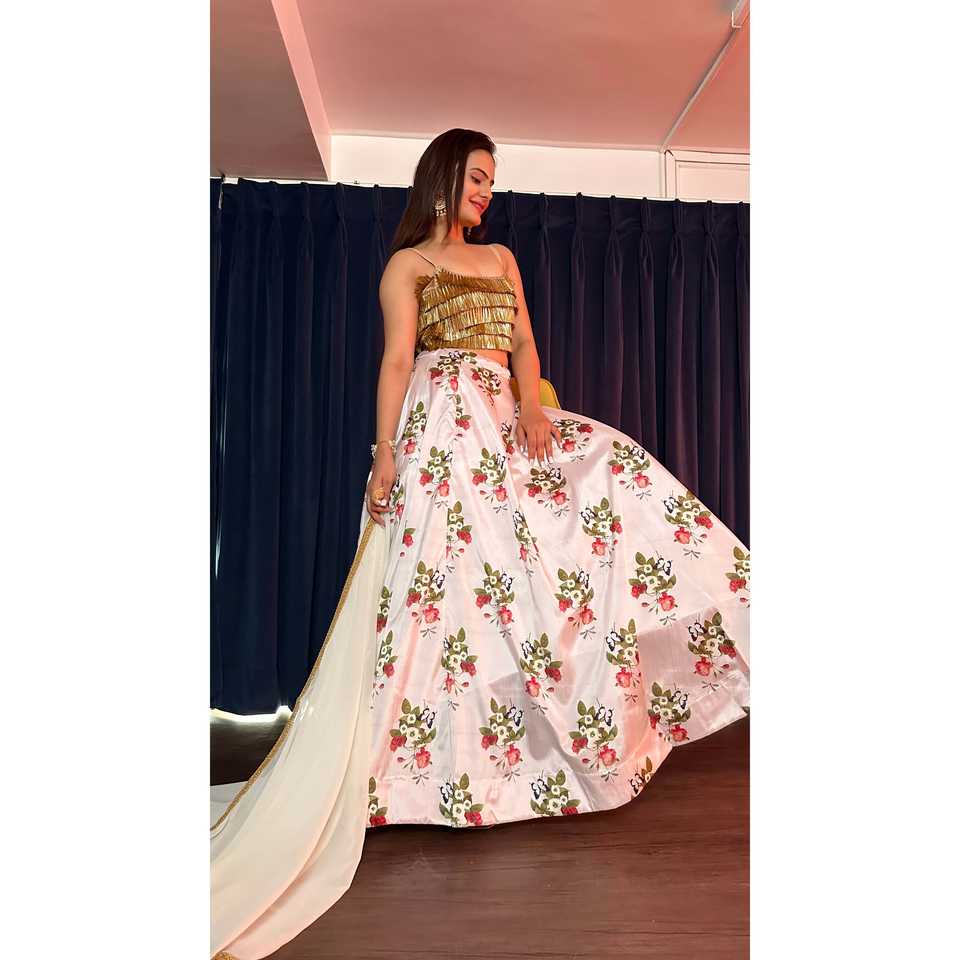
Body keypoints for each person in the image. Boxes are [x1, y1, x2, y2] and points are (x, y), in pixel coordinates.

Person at [210, 129, 750, 960]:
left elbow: (525, 344)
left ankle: (547, 740)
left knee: (596, 490)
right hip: (441, 429)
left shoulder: (501, 258)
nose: (485, 193)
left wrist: (532, 405)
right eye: (476, 179)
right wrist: (385, 453)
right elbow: (397, 362)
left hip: (503, 417)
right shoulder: (408, 267)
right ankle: (415, 773)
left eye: (491, 182)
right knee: (441, 592)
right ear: (442, 179)